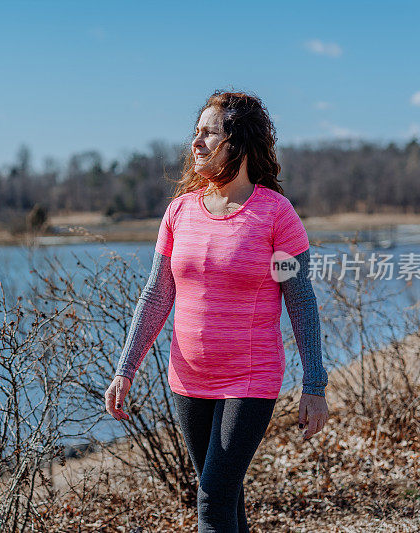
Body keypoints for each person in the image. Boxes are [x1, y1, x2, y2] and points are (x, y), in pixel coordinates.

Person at [104, 90, 329, 532]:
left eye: (209, 132)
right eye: (196, 132)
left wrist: (314, 383)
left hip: (250, 379)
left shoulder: (275, 216)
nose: (196, 142)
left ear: (238, 144)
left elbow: (301, 300)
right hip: (188, 379)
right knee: (227, 500)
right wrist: (124, 369)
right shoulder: (179, 212)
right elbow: (156, 294)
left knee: (212, 500)